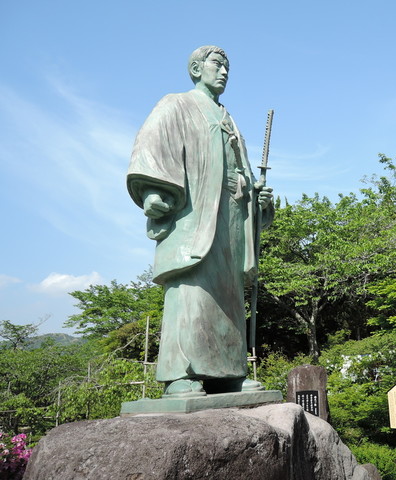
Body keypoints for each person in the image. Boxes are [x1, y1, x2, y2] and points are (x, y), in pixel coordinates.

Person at [127, 46, 274, 397]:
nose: (224, 72)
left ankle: (229, 371)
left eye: (227, 67)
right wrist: (153, 191)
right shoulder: (176, 105)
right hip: (195, 214)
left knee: (229, 295)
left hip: (232, 216)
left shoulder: (229, 119)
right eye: (216, 64)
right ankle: (180, 374)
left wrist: (257, 200)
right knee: (193, 291)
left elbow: (241, 172)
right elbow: (153, 147)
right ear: (196, 68)